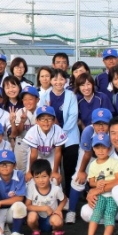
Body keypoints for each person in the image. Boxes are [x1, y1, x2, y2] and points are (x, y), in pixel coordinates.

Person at [66, 108, 113, 224]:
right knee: (78, 179)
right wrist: (82, 171)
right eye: (97, 124)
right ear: (92, 123)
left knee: (107, 180)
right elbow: (87, 154)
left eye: (104, 124)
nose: (101, 127)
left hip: (109, 155)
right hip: (90, 155)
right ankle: (71, 211)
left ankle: (107, 210)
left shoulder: (113, 132)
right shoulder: (88, 131)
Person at [39, 69, 80, 197]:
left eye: (61, 79)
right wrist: (54, 133)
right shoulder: (45, 97)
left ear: (66, 81)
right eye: (55, 79)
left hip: (70, 136)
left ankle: (68, 197)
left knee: (69, 169)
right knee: (52, 168)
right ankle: (53, 197)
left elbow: (73, 116)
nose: (58, 82)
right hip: (50, 136)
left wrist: (61, 133)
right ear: (50, 80)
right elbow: (41, 116)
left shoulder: (71, 95)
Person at [82, 134, 118, 235]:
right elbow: (92, 182)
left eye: (103, 147)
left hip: (112, 195)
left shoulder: (114, 162)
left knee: (109, 216)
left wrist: (105, 183)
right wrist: (97, 184)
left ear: (109, 148)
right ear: (93, 148)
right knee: (96, 214)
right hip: (100, 195)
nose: (100, 151)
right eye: (97, 147)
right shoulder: (93, 164)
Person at [25, 159, 67, 235]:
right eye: (37, 177)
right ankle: (36, 231)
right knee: (31, 216)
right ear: (33, 177)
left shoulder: (56, 189)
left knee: (58, 221)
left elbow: (64, 199)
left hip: (51, 218)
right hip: (38, 219)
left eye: (44, 176)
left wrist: (59, 209)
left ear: (50, 175)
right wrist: (45, 208)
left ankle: (56, 232)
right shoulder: (31, 188)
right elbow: (28, 205)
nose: (41, 180)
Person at [23, 106, 67, 184]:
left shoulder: (58, 130)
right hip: (37, 156)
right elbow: (33, 154)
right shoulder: (32, 131)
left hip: (51, 155)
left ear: (54, 121)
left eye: (49, 118)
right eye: (42, 118)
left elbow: (58, 153)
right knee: (32, 180)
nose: (46, 122)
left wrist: (55, 171)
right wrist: (30, 171)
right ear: (37, 121)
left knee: (54, 181)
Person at [11, 86, 40, 172]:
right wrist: (22, 122)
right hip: (22, 142)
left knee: (36, 170)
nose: (27, 102)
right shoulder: (20, 112)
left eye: (30, 99)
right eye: (25, 99)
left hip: (38, 144)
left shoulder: (41, 111)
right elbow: (16, 134)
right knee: (21, 171)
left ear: (37, 100)